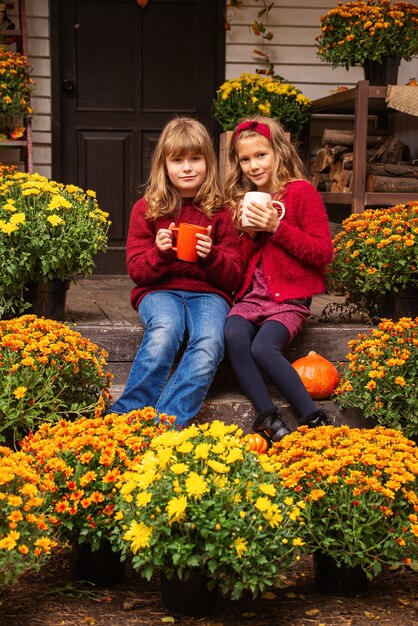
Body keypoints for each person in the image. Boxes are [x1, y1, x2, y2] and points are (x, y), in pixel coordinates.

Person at [110, 117, 243, 427]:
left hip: (209, 294)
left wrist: (210, 257)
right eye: (178, 159)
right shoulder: (146, 209)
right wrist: (160, 252)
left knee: (210, 341)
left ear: (208, 162)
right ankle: (126, 416)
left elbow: (234, 276)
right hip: (159, 291)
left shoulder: (222, 210)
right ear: (164, 164)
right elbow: (137, 272)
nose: (187, 167)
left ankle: (164, 424)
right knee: (167, 328)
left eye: (195, 158)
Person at [223, 116, 334, 443]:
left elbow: (322, 253)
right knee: (233, 334)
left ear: (279, 153)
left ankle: (313, 418)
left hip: (288, 301)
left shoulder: (302, 194)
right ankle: (268, 418)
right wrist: (247, 234)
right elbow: (242, 266)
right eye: (245, 159)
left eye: (261, 155)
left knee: (262, 348)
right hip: (251, 298)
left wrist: (277, 228)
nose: (253, 166)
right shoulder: (246, 200)